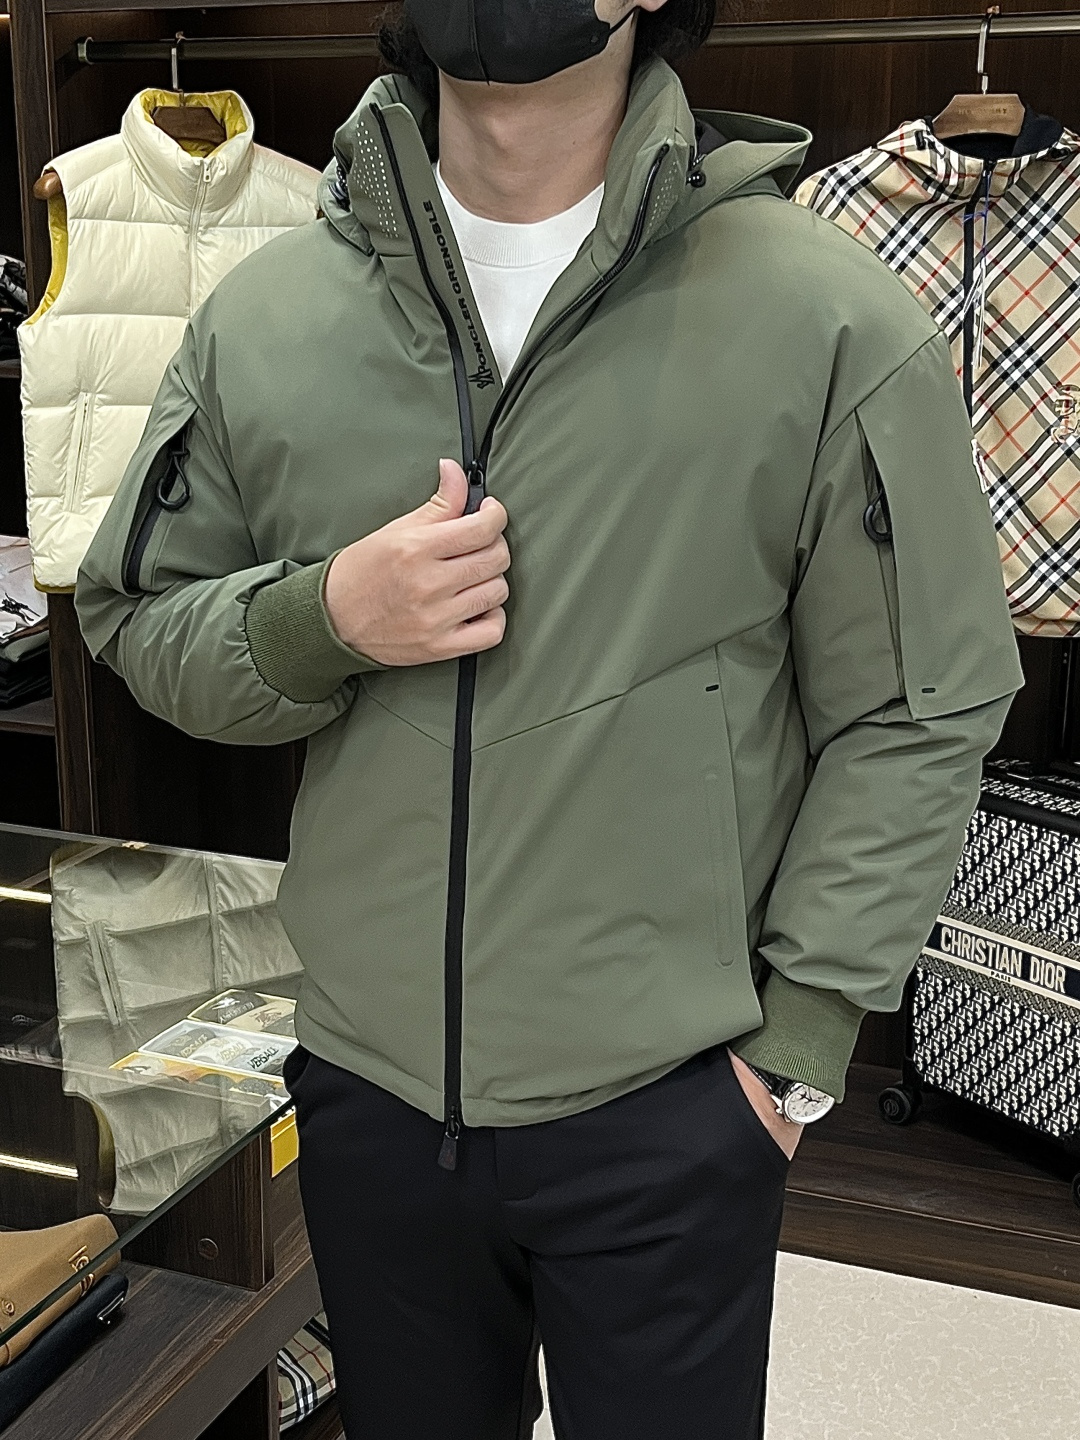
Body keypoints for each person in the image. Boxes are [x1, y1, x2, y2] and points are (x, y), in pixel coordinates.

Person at [76, 2, 1022, 1435]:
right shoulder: (267, 319)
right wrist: (327, 617)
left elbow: (922, 700)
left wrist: (796, 1046)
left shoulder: (825, 318)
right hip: (368, 1093)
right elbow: (137, 621)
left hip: (675, 1103)